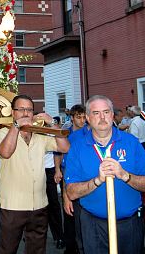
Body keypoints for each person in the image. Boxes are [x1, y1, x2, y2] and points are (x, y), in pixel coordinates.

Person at [65, 95, 145, 254]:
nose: (102, 117)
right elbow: (71, 192)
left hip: (130, 224)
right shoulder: (77, 147)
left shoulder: (131, 142)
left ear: (112, 115)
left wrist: (125, 175)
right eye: (96, 113)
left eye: (106, 112)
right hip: (93, 225)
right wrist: (97, 181)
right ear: (88, 118)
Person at [0, 94, 70, 254]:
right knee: (8, 249)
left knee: (37, 249)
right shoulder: (2, 133)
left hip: (40, 204)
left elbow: (65, 148)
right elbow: (5, 152)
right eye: (20, 109)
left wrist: (53, 124)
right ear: (13, 112)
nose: (25, 113)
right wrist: (16, 126)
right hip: (13, 206)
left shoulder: (40, 135)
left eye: (29, 110)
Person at [60, 104, 86, 254]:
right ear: (72, 118)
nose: (82, 120)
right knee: (69, 214)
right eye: (78, 117)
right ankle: (70, 247)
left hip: (85, 181)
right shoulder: (66, 134)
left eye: (84, 117)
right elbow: (61, 156)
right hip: (70, 177)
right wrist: (58, 170)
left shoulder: (88, 133)